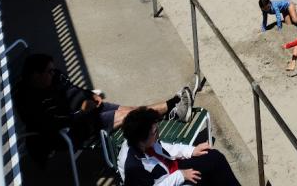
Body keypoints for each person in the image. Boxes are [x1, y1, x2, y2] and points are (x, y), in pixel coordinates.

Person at [15, 53, 193, 163]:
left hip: (87, 111)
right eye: (49, 71)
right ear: (35, 76)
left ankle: (173, 111)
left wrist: (89, 95)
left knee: (131, 109)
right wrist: (82, 112)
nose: (54, 74)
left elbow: (73, 89)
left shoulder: (53, 78)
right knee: (128, 116)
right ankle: (172, 105)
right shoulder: (28, 100)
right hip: (74, 128)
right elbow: (50, 124)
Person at [121, 106, 242, 186]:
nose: (158, 135)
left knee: (214, 157)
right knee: (204, 179)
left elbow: (165, 147)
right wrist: (181, 176)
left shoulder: (143, 142)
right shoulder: (134, 169)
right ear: (141, 140)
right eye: (154, 133)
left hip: (175, 168)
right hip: (171, 179)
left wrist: (192, 150)